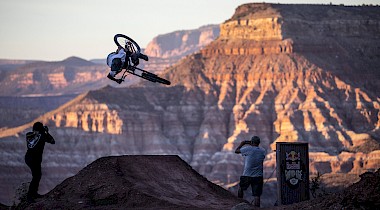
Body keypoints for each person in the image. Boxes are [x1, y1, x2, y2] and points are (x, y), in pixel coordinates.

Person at [25, 122, 55, 203]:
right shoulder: (43, 136)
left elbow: (33, 135)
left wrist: (42, 132)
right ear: (41, 129)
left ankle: (33, 194)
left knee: (37, 176)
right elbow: (52, 141)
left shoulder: (28, 135)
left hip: (29, 158)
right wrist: (46, 132)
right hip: (35, 159)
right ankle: (30, 196)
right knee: (36, 176)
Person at [235, 136, 266, 207]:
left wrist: (242, 144)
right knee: (257, 195)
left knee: (241, 189)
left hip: (247, 175)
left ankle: (239, 204)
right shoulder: (263, 151)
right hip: (258, 176)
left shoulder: (248, 149)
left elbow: (236, 151)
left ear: (251, 142)